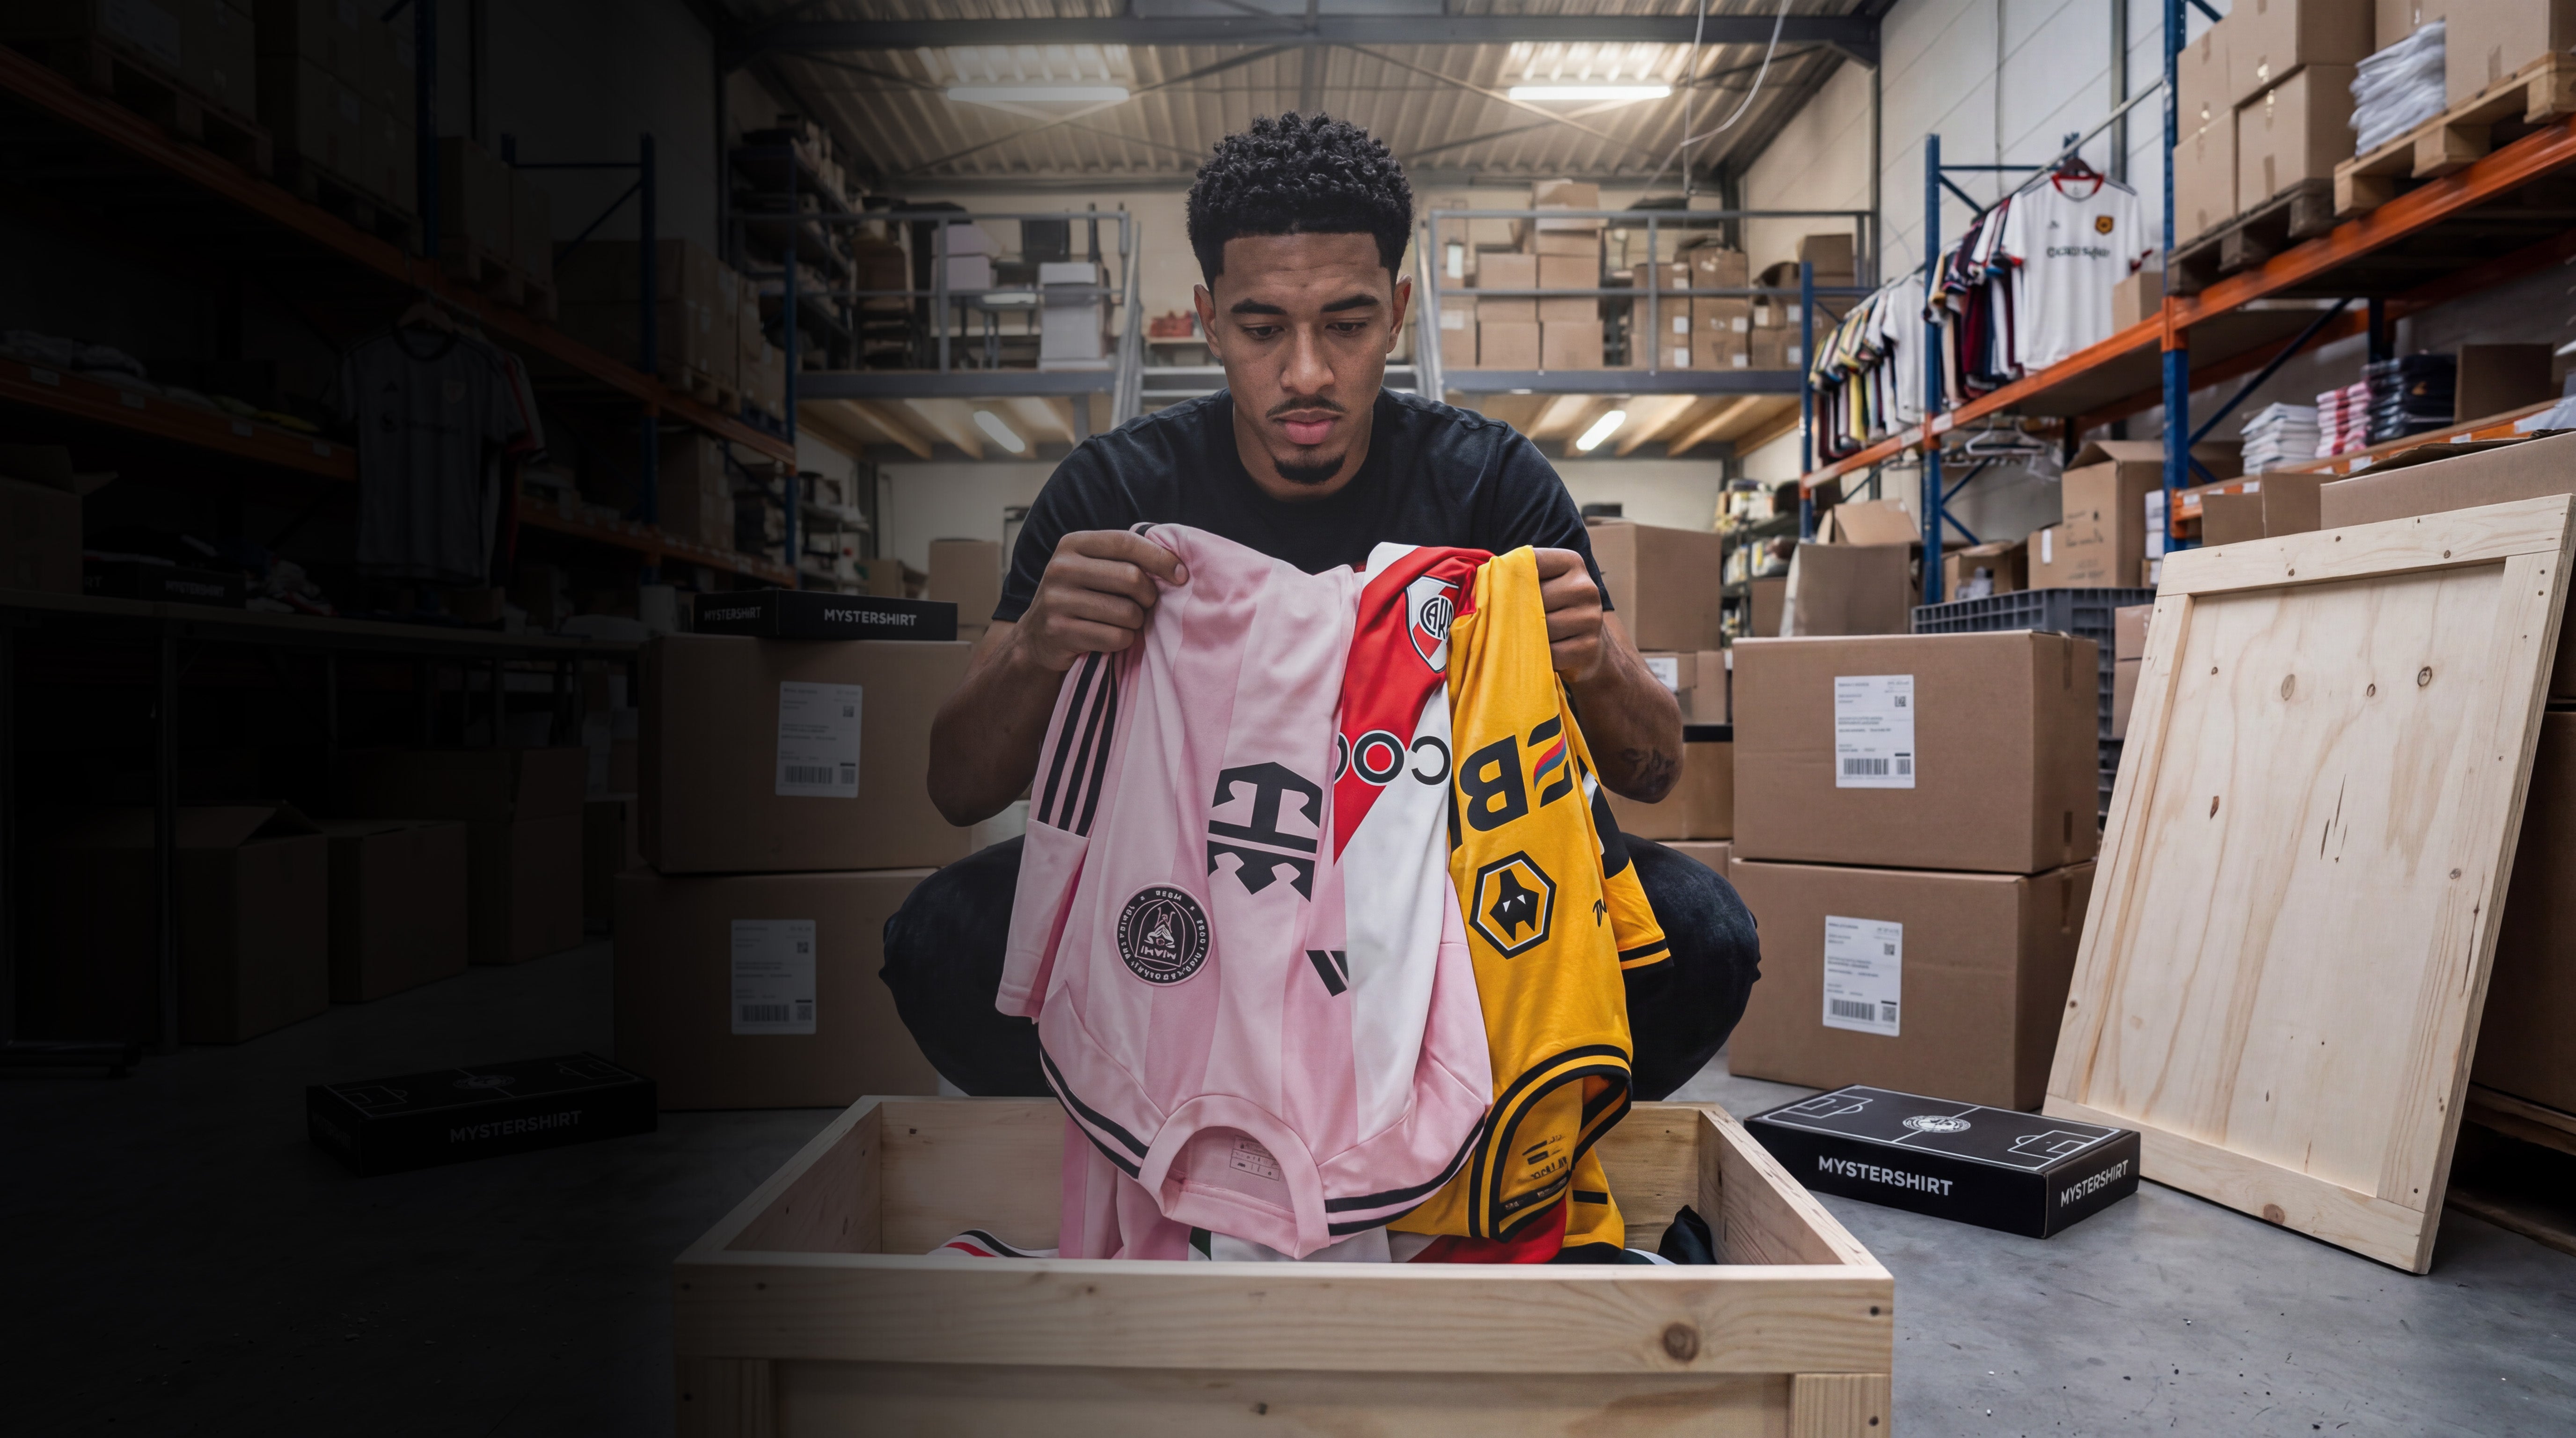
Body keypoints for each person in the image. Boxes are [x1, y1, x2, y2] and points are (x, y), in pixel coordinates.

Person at [884, 113, 1758, 1102]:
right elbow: (958, 789)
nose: (1306, 374)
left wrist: (1593, 660)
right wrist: (1038, 649)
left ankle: (1464, 1121)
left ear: (1397, 313)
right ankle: (1165, 1114)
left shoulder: (1491, 485)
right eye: (1262, 330)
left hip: (1437, 887)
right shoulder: (1114, 491)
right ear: (1210, 320)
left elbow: (1652, 770)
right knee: (941, 943)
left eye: (1346, 325)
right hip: (1176, 885)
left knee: (1700, 939)